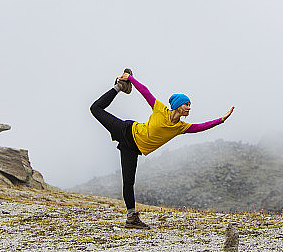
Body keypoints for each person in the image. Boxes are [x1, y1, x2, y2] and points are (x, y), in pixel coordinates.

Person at [89, 69, 235, 229]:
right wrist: (130, 78)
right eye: (186, 104)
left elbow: (201, 127)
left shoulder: (180, 127)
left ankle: (131, 219)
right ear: (178, 106)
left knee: (128, 182)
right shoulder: (160, 109)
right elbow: (145, 92)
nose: (189, 108)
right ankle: (120, 87)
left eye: (189, 105)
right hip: (127, 131)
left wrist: (221, 120)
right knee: (95, 108)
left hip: (132, 149)